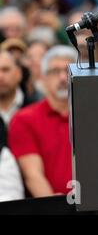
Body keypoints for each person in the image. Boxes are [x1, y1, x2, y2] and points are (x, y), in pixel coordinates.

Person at [8, 46, 77, 197]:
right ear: (43, 78)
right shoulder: (25, 119)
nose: (61, 78)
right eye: (54, 71)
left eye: (68, 71)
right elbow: (33, 174)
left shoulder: (93, 115)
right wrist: (55, 207)